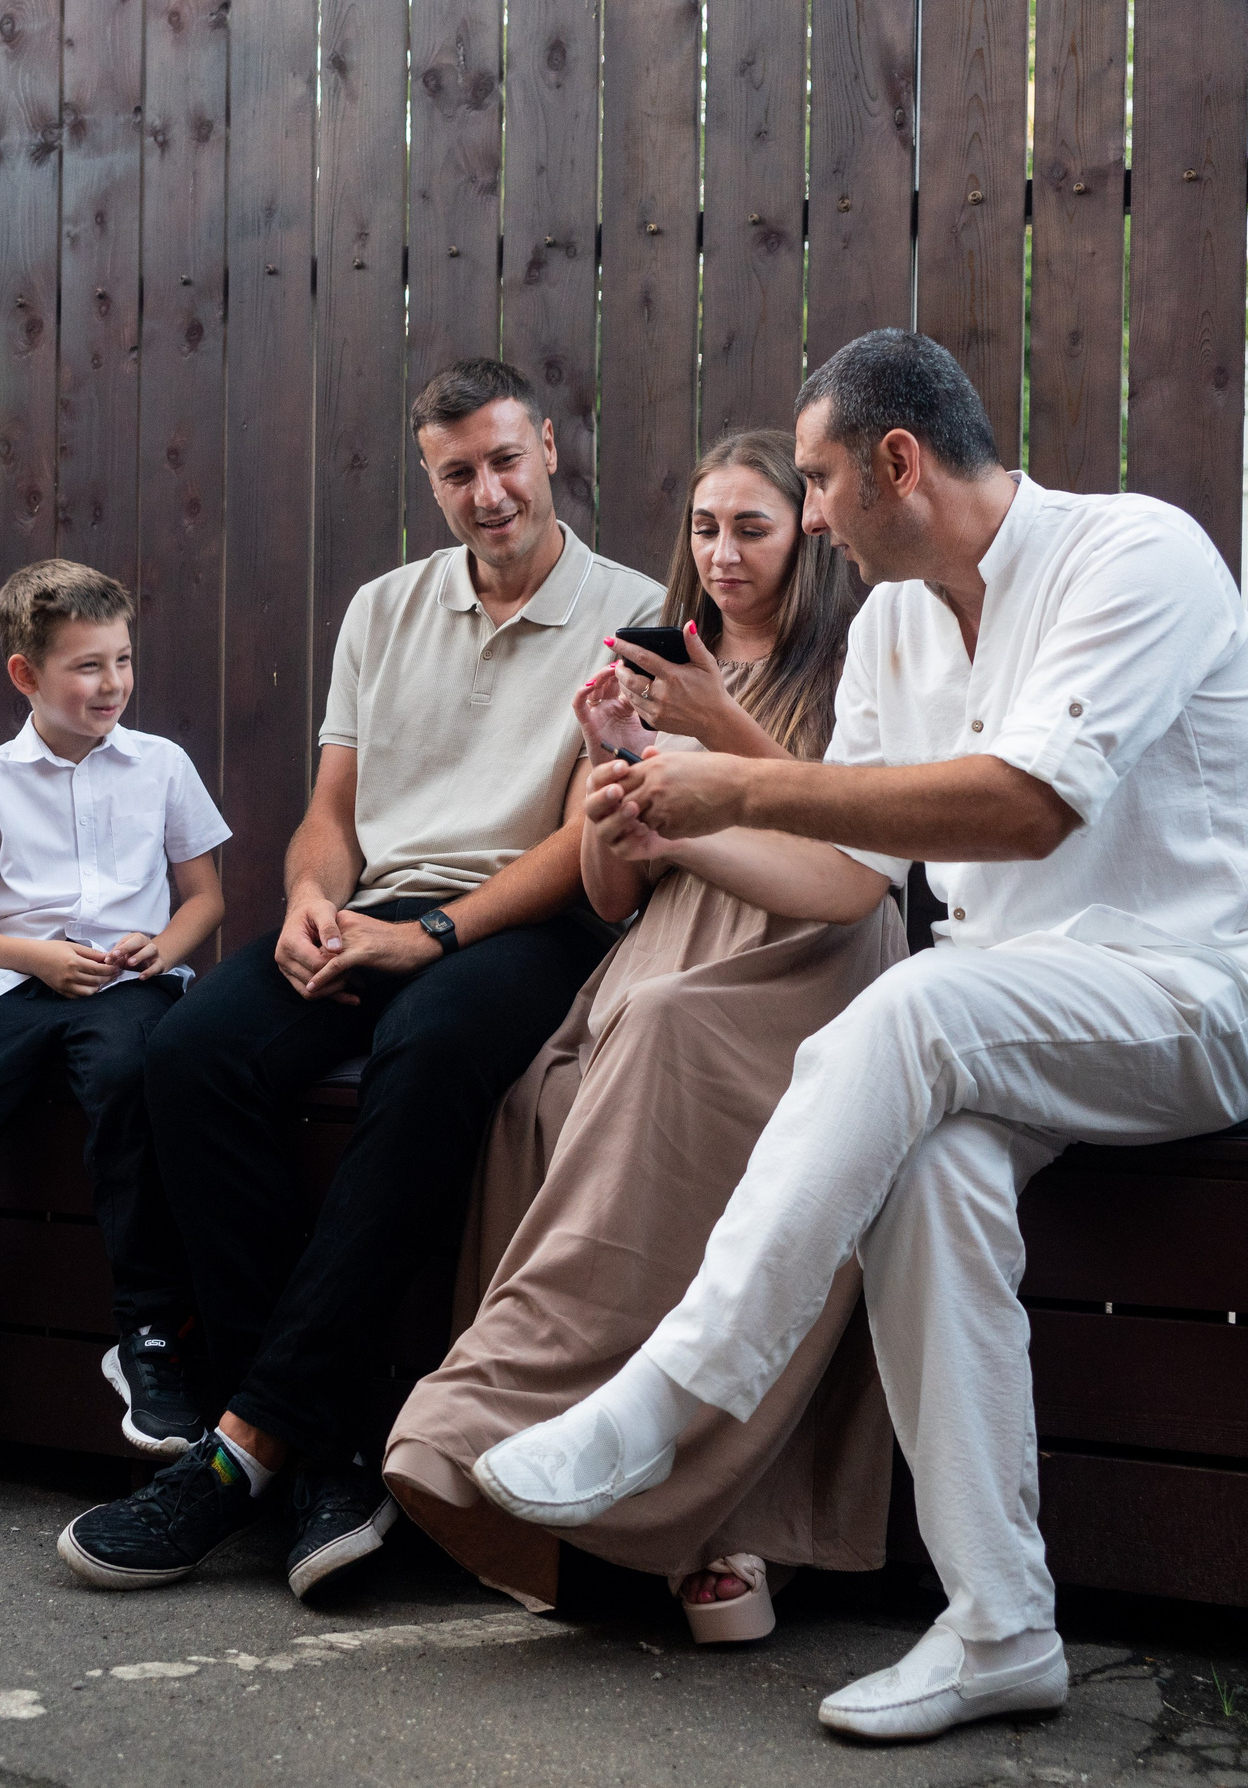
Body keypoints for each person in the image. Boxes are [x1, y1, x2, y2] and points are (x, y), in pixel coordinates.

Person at [473, 329, 1248, 1739]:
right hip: (1011, 1021)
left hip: (1199, 997)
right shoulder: (894, 627)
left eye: (813, 482)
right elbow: (845, 873)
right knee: (929, 1174)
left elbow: (1024, 807)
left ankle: (679, 1389)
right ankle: (1000, 1628)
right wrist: (692, 810)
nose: (807, 516)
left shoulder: (1136, 556)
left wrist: (737, 783)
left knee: (914, 1000)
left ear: (898, 464)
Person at [54, 357, 663, 1602]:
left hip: (525, 927)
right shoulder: (384, 608)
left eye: (504, 460)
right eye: (457, 472)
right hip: (375, 913)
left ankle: (244, 1447)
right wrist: (314, 898)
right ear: (430, 480)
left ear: (548, 448)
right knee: (189, 1053)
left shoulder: (633, 612)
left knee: (429, 1050)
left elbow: (578, 839)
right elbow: (333, 809)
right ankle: (327, 1446)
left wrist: (430, 941)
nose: (486, 492)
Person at [383, 430, 907, 1644]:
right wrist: (617, 790)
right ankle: (588, 1506)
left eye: (753, 529)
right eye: (705, 529)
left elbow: (853, 845)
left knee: (681, 1068)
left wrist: (715, 726)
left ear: (803, 537)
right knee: (543, 1103)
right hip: (671, 933)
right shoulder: (646, 663)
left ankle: (707, 1510)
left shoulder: (851, 663)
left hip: (805, 942)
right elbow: (612, 898)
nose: (721, 556)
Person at [0, 560, 230, 1511]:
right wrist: (36, 961)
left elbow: (206, 901)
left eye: (121, 661)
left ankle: (149, 1337)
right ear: (26, 675)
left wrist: (162, 948)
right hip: (10, 985)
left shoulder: (162, 766)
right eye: (85, 667)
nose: (110, 684)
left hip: (123, 984)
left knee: (125, 1083)